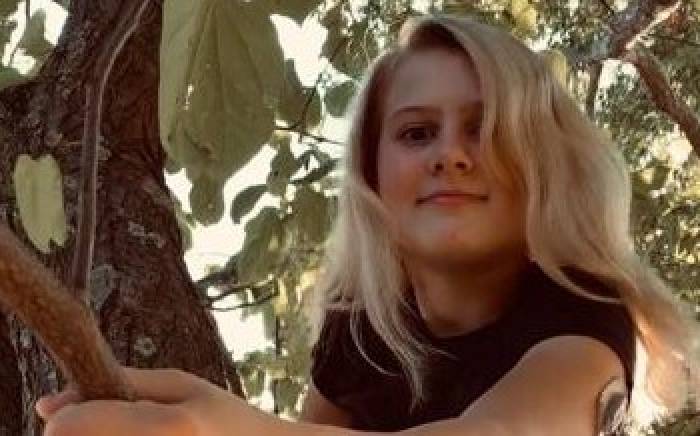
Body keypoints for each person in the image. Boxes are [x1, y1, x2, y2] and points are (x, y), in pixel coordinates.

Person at [37, 14, 700, 436]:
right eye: (417, 132)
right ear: (371, 176)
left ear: (544, 163)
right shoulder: (359, 329)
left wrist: (234, 430)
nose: (450, 154)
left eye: (486, 127)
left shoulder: (585, 316)